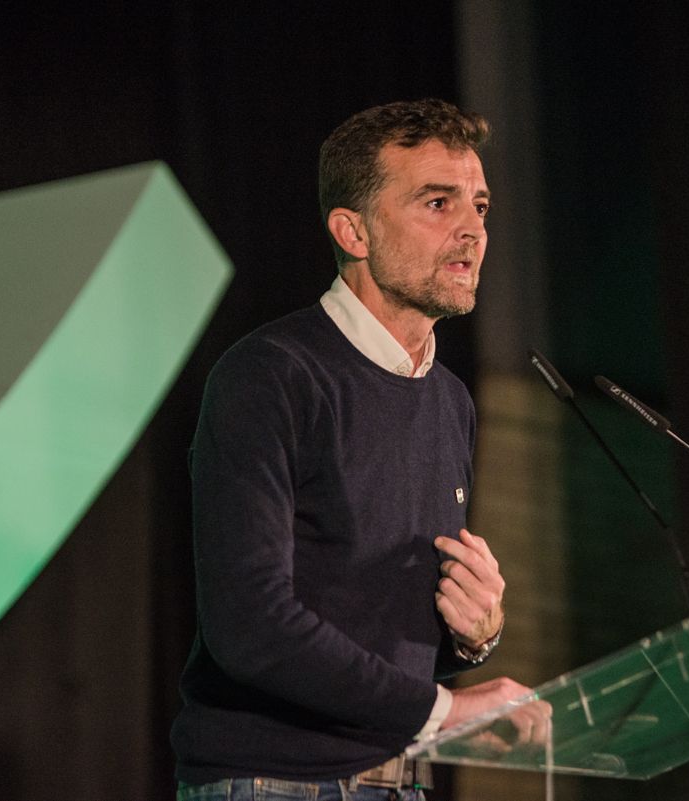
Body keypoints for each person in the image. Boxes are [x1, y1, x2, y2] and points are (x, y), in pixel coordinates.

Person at [170, 99, 533, 800]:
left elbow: (387, 644)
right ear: (353, 231)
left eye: (480, 207)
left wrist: (474, 633)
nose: (472, 230)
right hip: (274, 783)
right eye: (438, 202)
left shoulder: (450, 399)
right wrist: (443, 711)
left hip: (402, 782)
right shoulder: (270, 374)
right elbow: (248, 625)